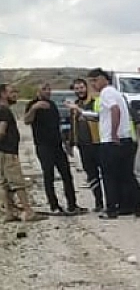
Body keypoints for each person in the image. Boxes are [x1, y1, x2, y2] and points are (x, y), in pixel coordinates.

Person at [88, 68, 140, 219]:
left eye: (94, 81)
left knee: (109, 176)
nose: (93, 85)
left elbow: (115, 110)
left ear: (102, 79)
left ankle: (111, 209)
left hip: (111, 141)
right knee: (126, 175)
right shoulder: (116, 93)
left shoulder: (106, 92)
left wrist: (113, 132)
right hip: (126, 140)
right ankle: (136, 205)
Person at [22, 85, 83, 215]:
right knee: (48, 175)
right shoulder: (32, 105)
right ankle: (54, 206)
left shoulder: (52, 105)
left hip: (57, 145)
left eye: (49, 89)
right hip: (43, 146)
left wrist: (66, 142)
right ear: (38, 91)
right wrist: (34, 108)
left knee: (67, 175)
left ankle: (72, 205)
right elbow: (26, 121)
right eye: (44, 89)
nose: (48, 91)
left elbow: (57, 125)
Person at [0, 81, 45, 223]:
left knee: (4, 184)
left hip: (2, 152)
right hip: (8, 152)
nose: (15, 94)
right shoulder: (4, 110)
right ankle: (28, 211)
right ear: (3, 94)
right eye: (12, 92)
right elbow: (1, 131)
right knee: (17, 183)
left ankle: (9, 212)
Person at [66, 77, 103, 213]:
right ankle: (99, 202)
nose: (79, 91)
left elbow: (98, 117)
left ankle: (113, 201)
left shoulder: (94, 102)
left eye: (81, 87)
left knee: (106, 173)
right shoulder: (75, 105)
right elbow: (73, 124)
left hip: (98, 143)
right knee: (91, 174)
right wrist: (71, 142)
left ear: (86, 87)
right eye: (76, 88)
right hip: (83, 145)